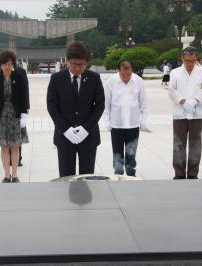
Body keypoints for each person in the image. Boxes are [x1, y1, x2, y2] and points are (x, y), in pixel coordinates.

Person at [47, 42, 105, 177]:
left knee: (87, 177)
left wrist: (86, 129)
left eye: (82, 64)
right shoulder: (57, 78)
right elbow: (52, 105)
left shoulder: (94, 78)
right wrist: (66, 130)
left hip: (89, 136)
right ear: (67, 61)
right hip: (64, 137)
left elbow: (100, 105)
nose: (79, 68)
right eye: (75, 64)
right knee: (66, 178)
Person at [168, 46, 202, 179]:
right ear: (182, 59)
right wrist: (182, 101)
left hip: (197, 112)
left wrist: (195, 100)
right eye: (187, 61)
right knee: (178, 143)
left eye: (193, 60)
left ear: (196, 59)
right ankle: (179, 173)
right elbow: (171, 90)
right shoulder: (175, 72)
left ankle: (193, 173)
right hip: (179, 112)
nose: (190, 64)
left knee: (195, 143)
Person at [0, 51, 29, 183]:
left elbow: (24, 95)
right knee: (4, 146)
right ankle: (7, 175)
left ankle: (15, 174)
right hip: (2, 114)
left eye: (10, 64)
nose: (8, 67)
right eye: (5, 64)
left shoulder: (18, 76)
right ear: (0, 64)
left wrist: (24, 114)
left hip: (16, 114)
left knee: (16, 146)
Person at [103, 60, 148, 176]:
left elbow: (143, 103)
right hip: (116, 124)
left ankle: (131, 173)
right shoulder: (111, 82)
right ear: (119, 71)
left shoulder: (138, 81)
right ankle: (118, 173)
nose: (126, 77)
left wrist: (143, 120)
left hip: (133, 124)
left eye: (128, 74)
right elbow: (106, 104)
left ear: (132, 71)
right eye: (123, 74)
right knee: (117, 152)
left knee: (131, 152)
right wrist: (107, 121)